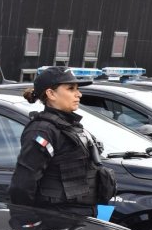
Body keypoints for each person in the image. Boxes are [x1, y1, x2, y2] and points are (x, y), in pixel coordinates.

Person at [9, 67, 116, 217]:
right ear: (51, 93)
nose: (79, 94)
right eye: (71, 89)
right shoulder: (42, 130)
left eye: (77, 89)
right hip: (58, 222)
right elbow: (23, 184)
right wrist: (31, 226)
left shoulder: (72, 125)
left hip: (84, 217)